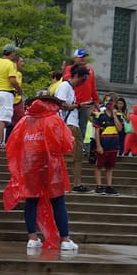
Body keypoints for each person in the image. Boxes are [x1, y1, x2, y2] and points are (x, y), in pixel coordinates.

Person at [3, 92, 78, 253]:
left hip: (30, 165)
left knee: (31, 201)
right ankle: (64, 239)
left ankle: (32, 238)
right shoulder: (55, 119)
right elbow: (68, 144)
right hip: (52, 165)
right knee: (58, 202)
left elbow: (13, 143)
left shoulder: (25, 120)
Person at [51, 64, 90, 192]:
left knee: (77, 156)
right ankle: (62, 183)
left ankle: (76, 184)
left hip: (73, 124)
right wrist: (79, 106)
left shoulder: (71, 89)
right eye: (83, 79)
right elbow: (61, 104)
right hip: (68, 125)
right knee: (69, 156)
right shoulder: (64, 86)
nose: (83, 83)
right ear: (77, 76)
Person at [92, 98, 125, 195]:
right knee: (99, 165)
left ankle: (109, 186)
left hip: (113, 144)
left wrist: (114, 116)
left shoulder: (118, 116)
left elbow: (119, 128)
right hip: (103, 143)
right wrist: (98, 145)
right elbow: (97, 131)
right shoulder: (100, 115)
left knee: (110, 167)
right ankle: (99, 185)